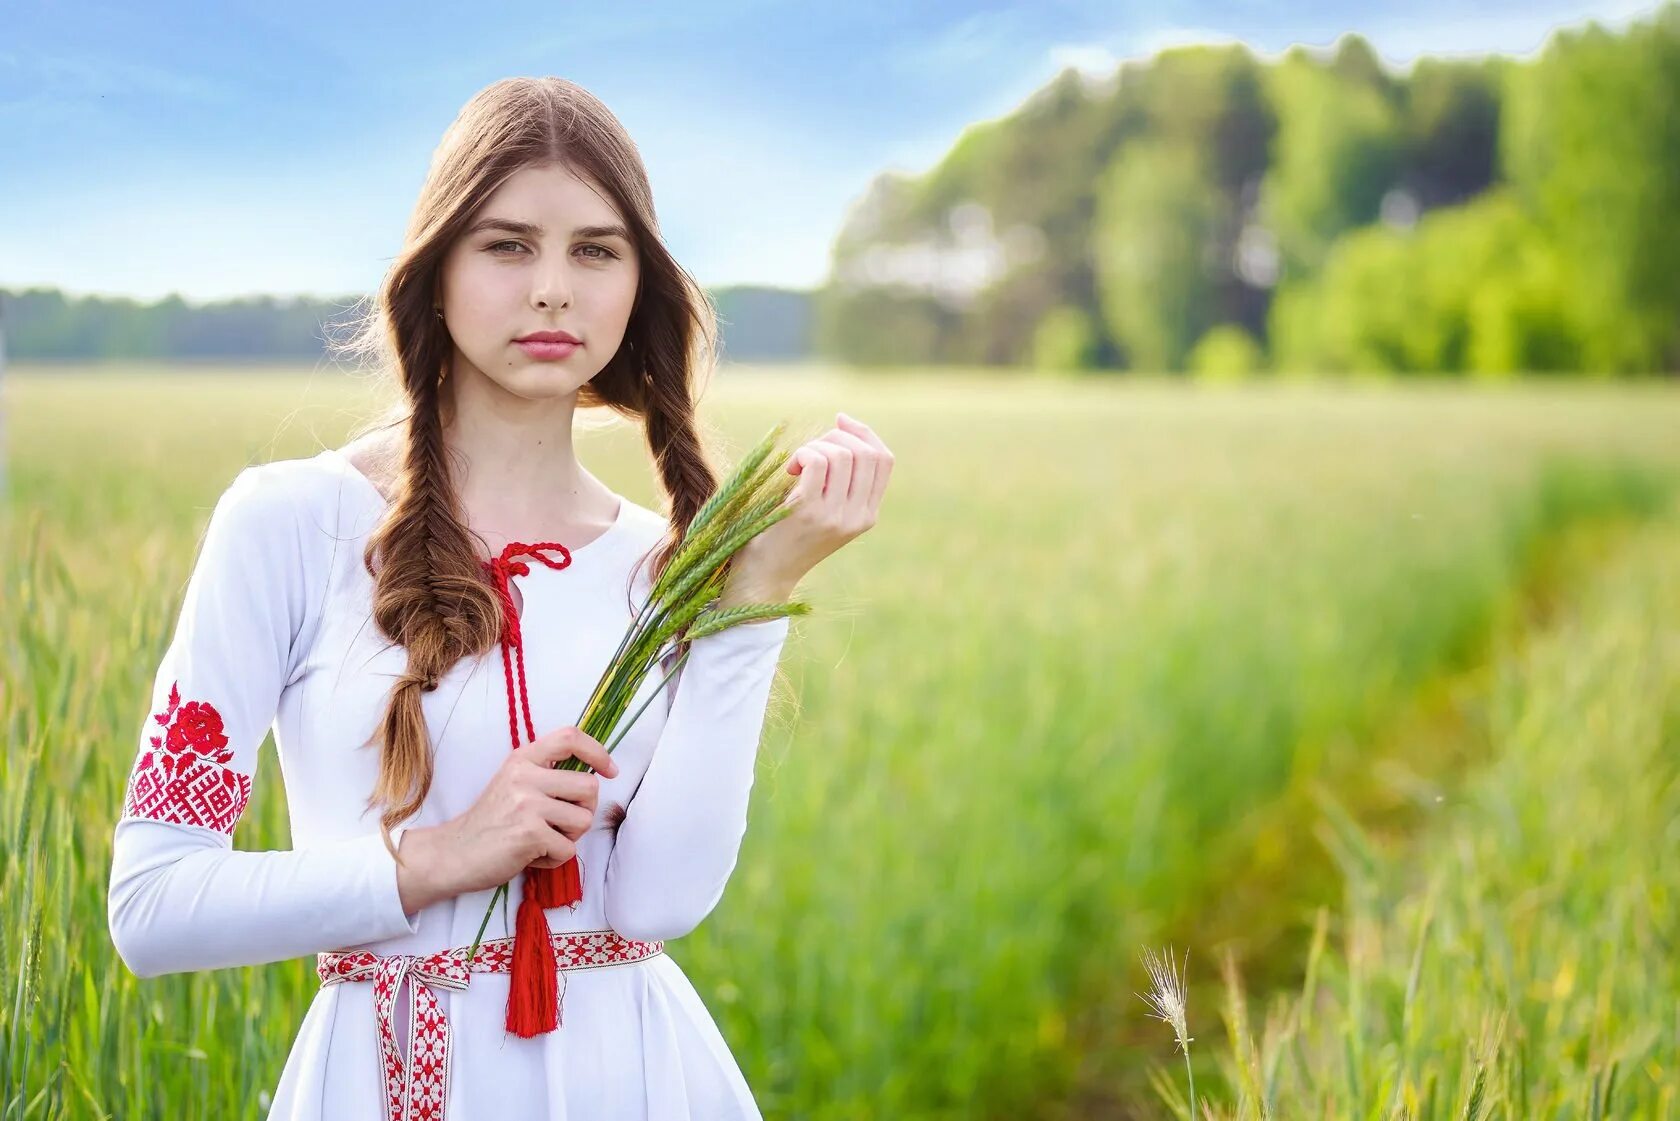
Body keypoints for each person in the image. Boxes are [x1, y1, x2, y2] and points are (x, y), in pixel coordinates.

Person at [105, 76, 893, 1121]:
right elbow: (151, 903)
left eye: (596, 250)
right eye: (507, 244)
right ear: (435, 272)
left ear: (637, 288)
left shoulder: (658, 564)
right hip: (382, 1077)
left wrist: (755, 592)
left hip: (640, 1079)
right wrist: (441, 857)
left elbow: (658, 900)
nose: (554, 289)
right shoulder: (290, 523)